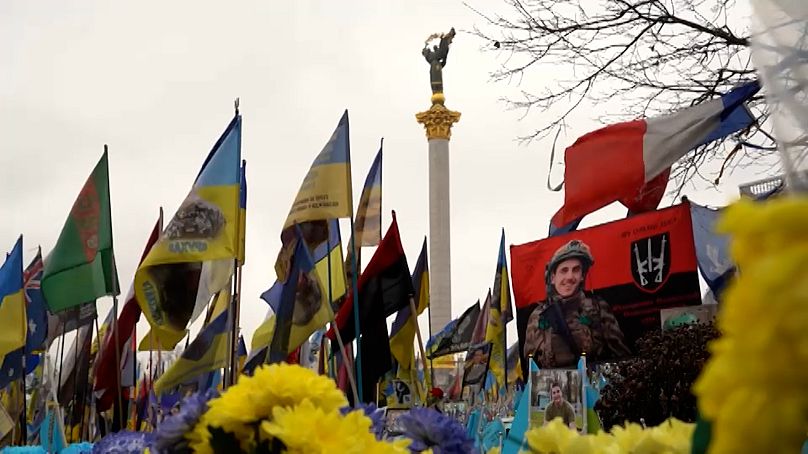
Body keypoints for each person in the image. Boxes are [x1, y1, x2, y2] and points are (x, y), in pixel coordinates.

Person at [523, 240, 631, 368]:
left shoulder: (598, 308)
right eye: (564, 270)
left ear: (582, 276)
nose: (569, 277)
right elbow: (529, 367)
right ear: (553, 278)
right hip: (553, 387)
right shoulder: (538, 315)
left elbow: (622, 359)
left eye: (575, 270)